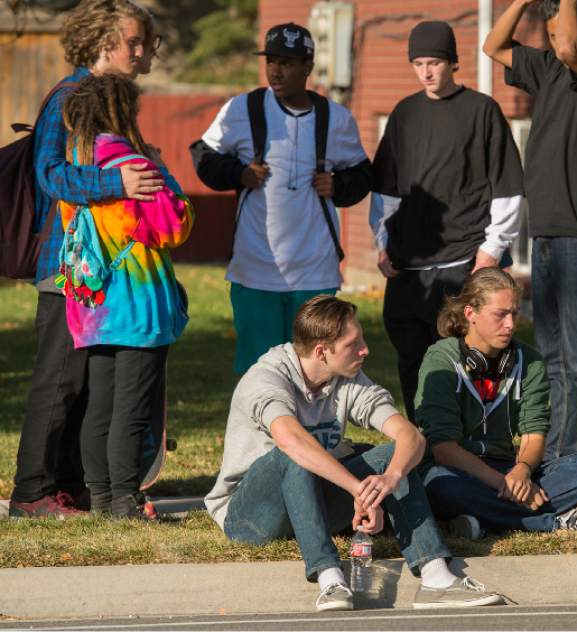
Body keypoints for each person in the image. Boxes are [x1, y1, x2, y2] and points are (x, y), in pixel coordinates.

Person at [204, 295, 505, 612]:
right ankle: (330, 578)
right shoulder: (267, 378)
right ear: (322, 351)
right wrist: (356, 488)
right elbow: (290, 439)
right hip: (253, 516)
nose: (365, 349)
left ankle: (437, 578)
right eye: (354, 343)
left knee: (394, 454)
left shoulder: (346, 378)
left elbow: (410, 435)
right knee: (294, 453)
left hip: (314, 501)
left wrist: (390, 478)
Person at [10, 0, 167, 519]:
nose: (142, 52)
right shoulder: (69, 96)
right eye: (133, 42)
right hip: (67, 264)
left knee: (88, 383)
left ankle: (74, 485)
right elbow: (49, 173)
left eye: (146, 42)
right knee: (60, 380)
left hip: (105, 269)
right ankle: (32, 492)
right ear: (103, 43)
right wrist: (114, 181)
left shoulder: (108, 101)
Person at [483, 0, 577, 470]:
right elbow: (493, 46)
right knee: (553, 354)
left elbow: (570, 44)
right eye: (546, 35)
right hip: (547, 231)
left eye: (561, 33)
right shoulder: (547, 67)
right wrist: (523, 4)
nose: (554, 42)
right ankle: (563, 456)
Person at [194, 22, 373, 375]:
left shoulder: (335, 118)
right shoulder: (241, 109)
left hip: (315, 267)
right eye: (271, 61)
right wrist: (238, 174)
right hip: (255, 265)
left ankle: (310, 430)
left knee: (318, 367)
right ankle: (258, 431)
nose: (276, 70)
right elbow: (204, 156)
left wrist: (338, 184)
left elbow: (363, 174)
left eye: (287, 63)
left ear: (308, 66)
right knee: (257, 369)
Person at [370, 20, 523, 421]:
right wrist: (381, 241)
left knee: (469, 363)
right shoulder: (404, 114)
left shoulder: (481, 111)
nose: (426, 72)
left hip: (464, 261)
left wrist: (491, 250)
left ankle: (474, 446)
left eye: (434, 62)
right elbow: (386, 187)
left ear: (453, 62)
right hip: (408, 267)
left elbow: (507, 187)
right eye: (418, 63)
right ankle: (423, 444)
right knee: (411, 363)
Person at [60, 73, 194, 518]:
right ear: (121, 113)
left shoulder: (75, 168)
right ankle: (125, 500)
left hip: (92, 305)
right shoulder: (134, 165)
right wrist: (165, 173)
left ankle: (99, 497)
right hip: (137, 305)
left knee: (100, 404)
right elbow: (174, 226)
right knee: (132, 407)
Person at [417, 268, 577, 538]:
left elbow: (533, 435)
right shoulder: (440, 359)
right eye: (500, 314)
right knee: (441, 485)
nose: (510, 325)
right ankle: (550, 522)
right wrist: (505, 484)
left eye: (514, 313)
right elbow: (444, 449)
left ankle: (483, 521)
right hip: (456, 471)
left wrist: (523, 470)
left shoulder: (529, 361)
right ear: (470, 313)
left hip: (507, 469)